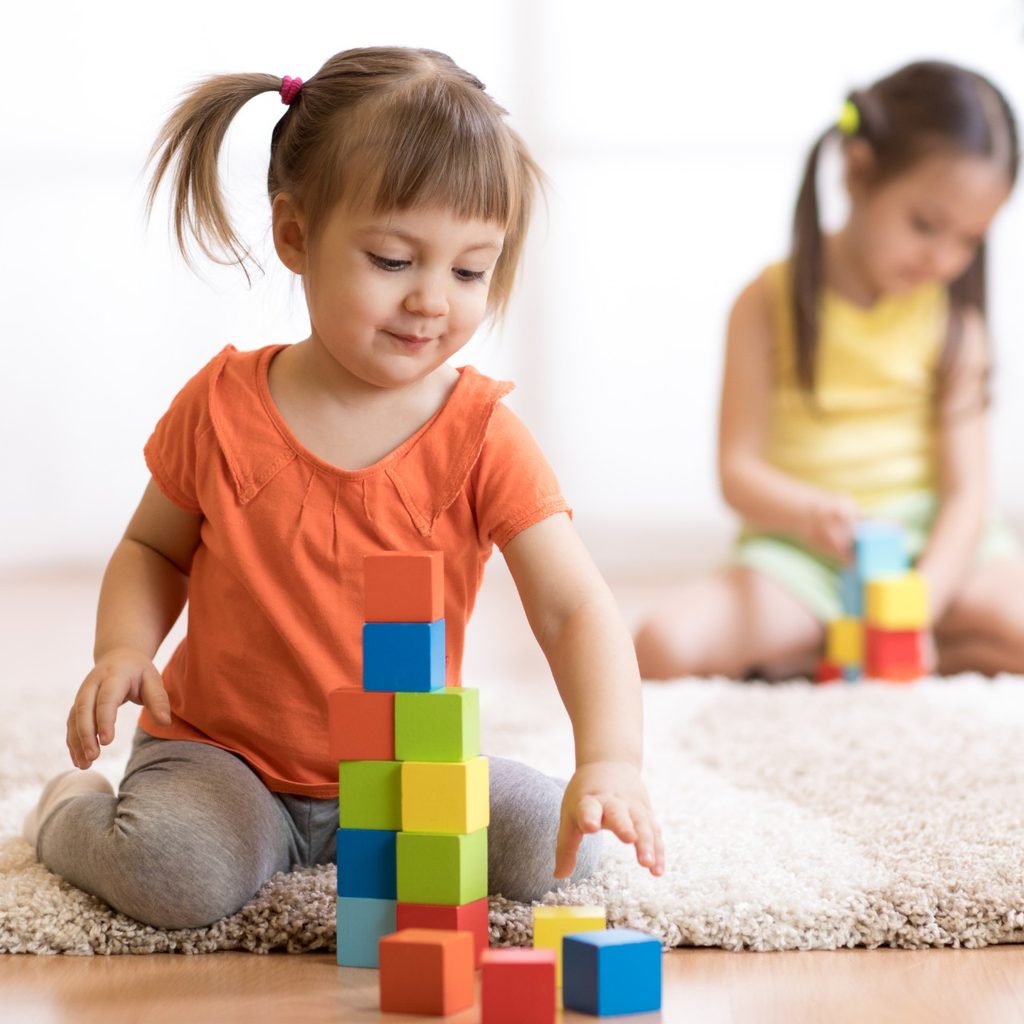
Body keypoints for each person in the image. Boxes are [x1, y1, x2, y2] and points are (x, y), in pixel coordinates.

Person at [22, 47, 664, 930]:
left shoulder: (483, 436)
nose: (433, 299)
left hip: (407, 777)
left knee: (567, 855)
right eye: (395, 260)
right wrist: (124, 648)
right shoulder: (220, 406)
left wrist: (610, 761)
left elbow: (573, 609)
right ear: (295, 235)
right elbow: (152, 547)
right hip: (228, 761)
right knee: (176, 875)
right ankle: (64, 808)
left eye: (470, 270)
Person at [635, 60, 1024, 681]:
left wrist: (916, 605)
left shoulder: (958, 326)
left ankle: (853, 650)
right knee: (661, 646)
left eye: (969, 239)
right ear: (858, 171)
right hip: (807, 558)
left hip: (941, 555)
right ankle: (847, 642)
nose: (945, 258)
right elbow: (736, 471)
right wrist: (807, 511)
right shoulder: (765, 302)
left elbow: (967, 496)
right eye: (926, 225)